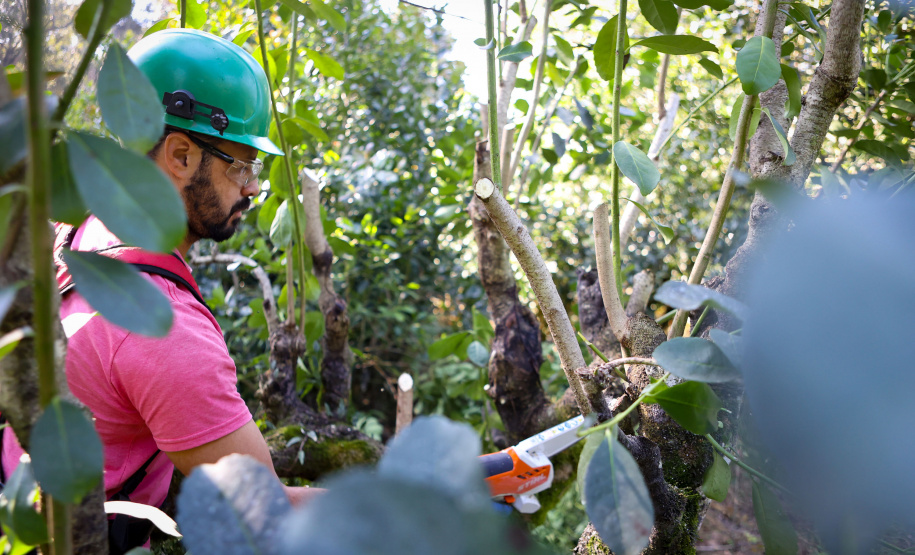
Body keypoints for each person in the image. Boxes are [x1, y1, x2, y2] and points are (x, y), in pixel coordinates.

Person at [0, 28, 319, 553]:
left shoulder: (77, 230)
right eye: (242, 165)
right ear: (180, 155)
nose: (253, 187)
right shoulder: (166, 331)